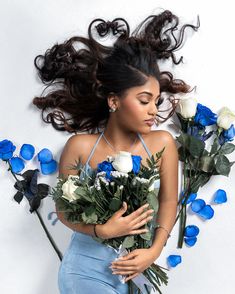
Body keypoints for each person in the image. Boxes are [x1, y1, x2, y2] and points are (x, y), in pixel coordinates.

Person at [33, 9, 199, 294]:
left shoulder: (163, 144)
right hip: (85, 271)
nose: (153, 110)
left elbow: (170, 202)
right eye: (144, 100)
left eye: (156, 101)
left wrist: (154, 251)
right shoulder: (80, 146)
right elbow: (62, 210)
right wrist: (102, 231)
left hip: (138, 272)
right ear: (114, 101)